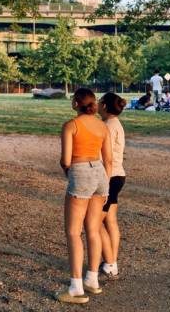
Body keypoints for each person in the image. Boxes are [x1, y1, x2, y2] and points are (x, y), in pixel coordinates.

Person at [56, 88, 113, 304]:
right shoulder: (102, 126)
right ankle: (92, 280)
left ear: (75, 103)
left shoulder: (71, 125)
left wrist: (69, 174)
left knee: (73, 232)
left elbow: (66, 160)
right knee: (93, 229)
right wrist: (105, 186)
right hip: (100, 174)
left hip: (81, 172)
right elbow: (108, 159)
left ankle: (75, 287)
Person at [98, 92, 127, 279]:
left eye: (100, 102)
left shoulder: (107, 126)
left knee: (95, 222)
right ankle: (112, 262)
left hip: (109, 176)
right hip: (119, 175)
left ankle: (109, 263)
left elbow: (104, 156)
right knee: (110, 220)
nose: (97, 105)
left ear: (105, 106)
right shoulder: (116, 124)